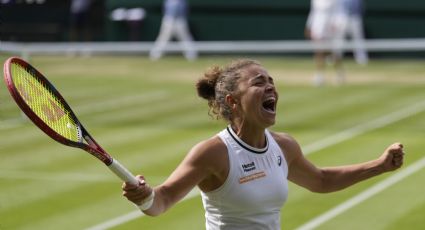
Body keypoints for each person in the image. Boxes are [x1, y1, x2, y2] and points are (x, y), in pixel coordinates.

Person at [122, 59, 405, 229]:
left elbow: (320, 180)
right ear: (233, 101)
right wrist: (144, 196)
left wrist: (379, 166)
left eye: (271, 81)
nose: (270, 87)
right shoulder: (213, 153)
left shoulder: (284, 147)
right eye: (259, 83)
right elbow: (162, 200)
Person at [305, 0, 346, 86]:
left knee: (332, 52)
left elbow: (338, 12)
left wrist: (336, 24)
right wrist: (309, 26)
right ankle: (320, 76)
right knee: (318, 51)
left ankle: (339, 73)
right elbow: (313, 12)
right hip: (318, 26)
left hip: (330, 28)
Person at [341, 0, 369, 65]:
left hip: (355, 17)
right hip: (342, 17)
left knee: (358, 38)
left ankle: (361, 58)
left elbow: (360, 6)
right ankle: (336, 58)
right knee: (339, 39)